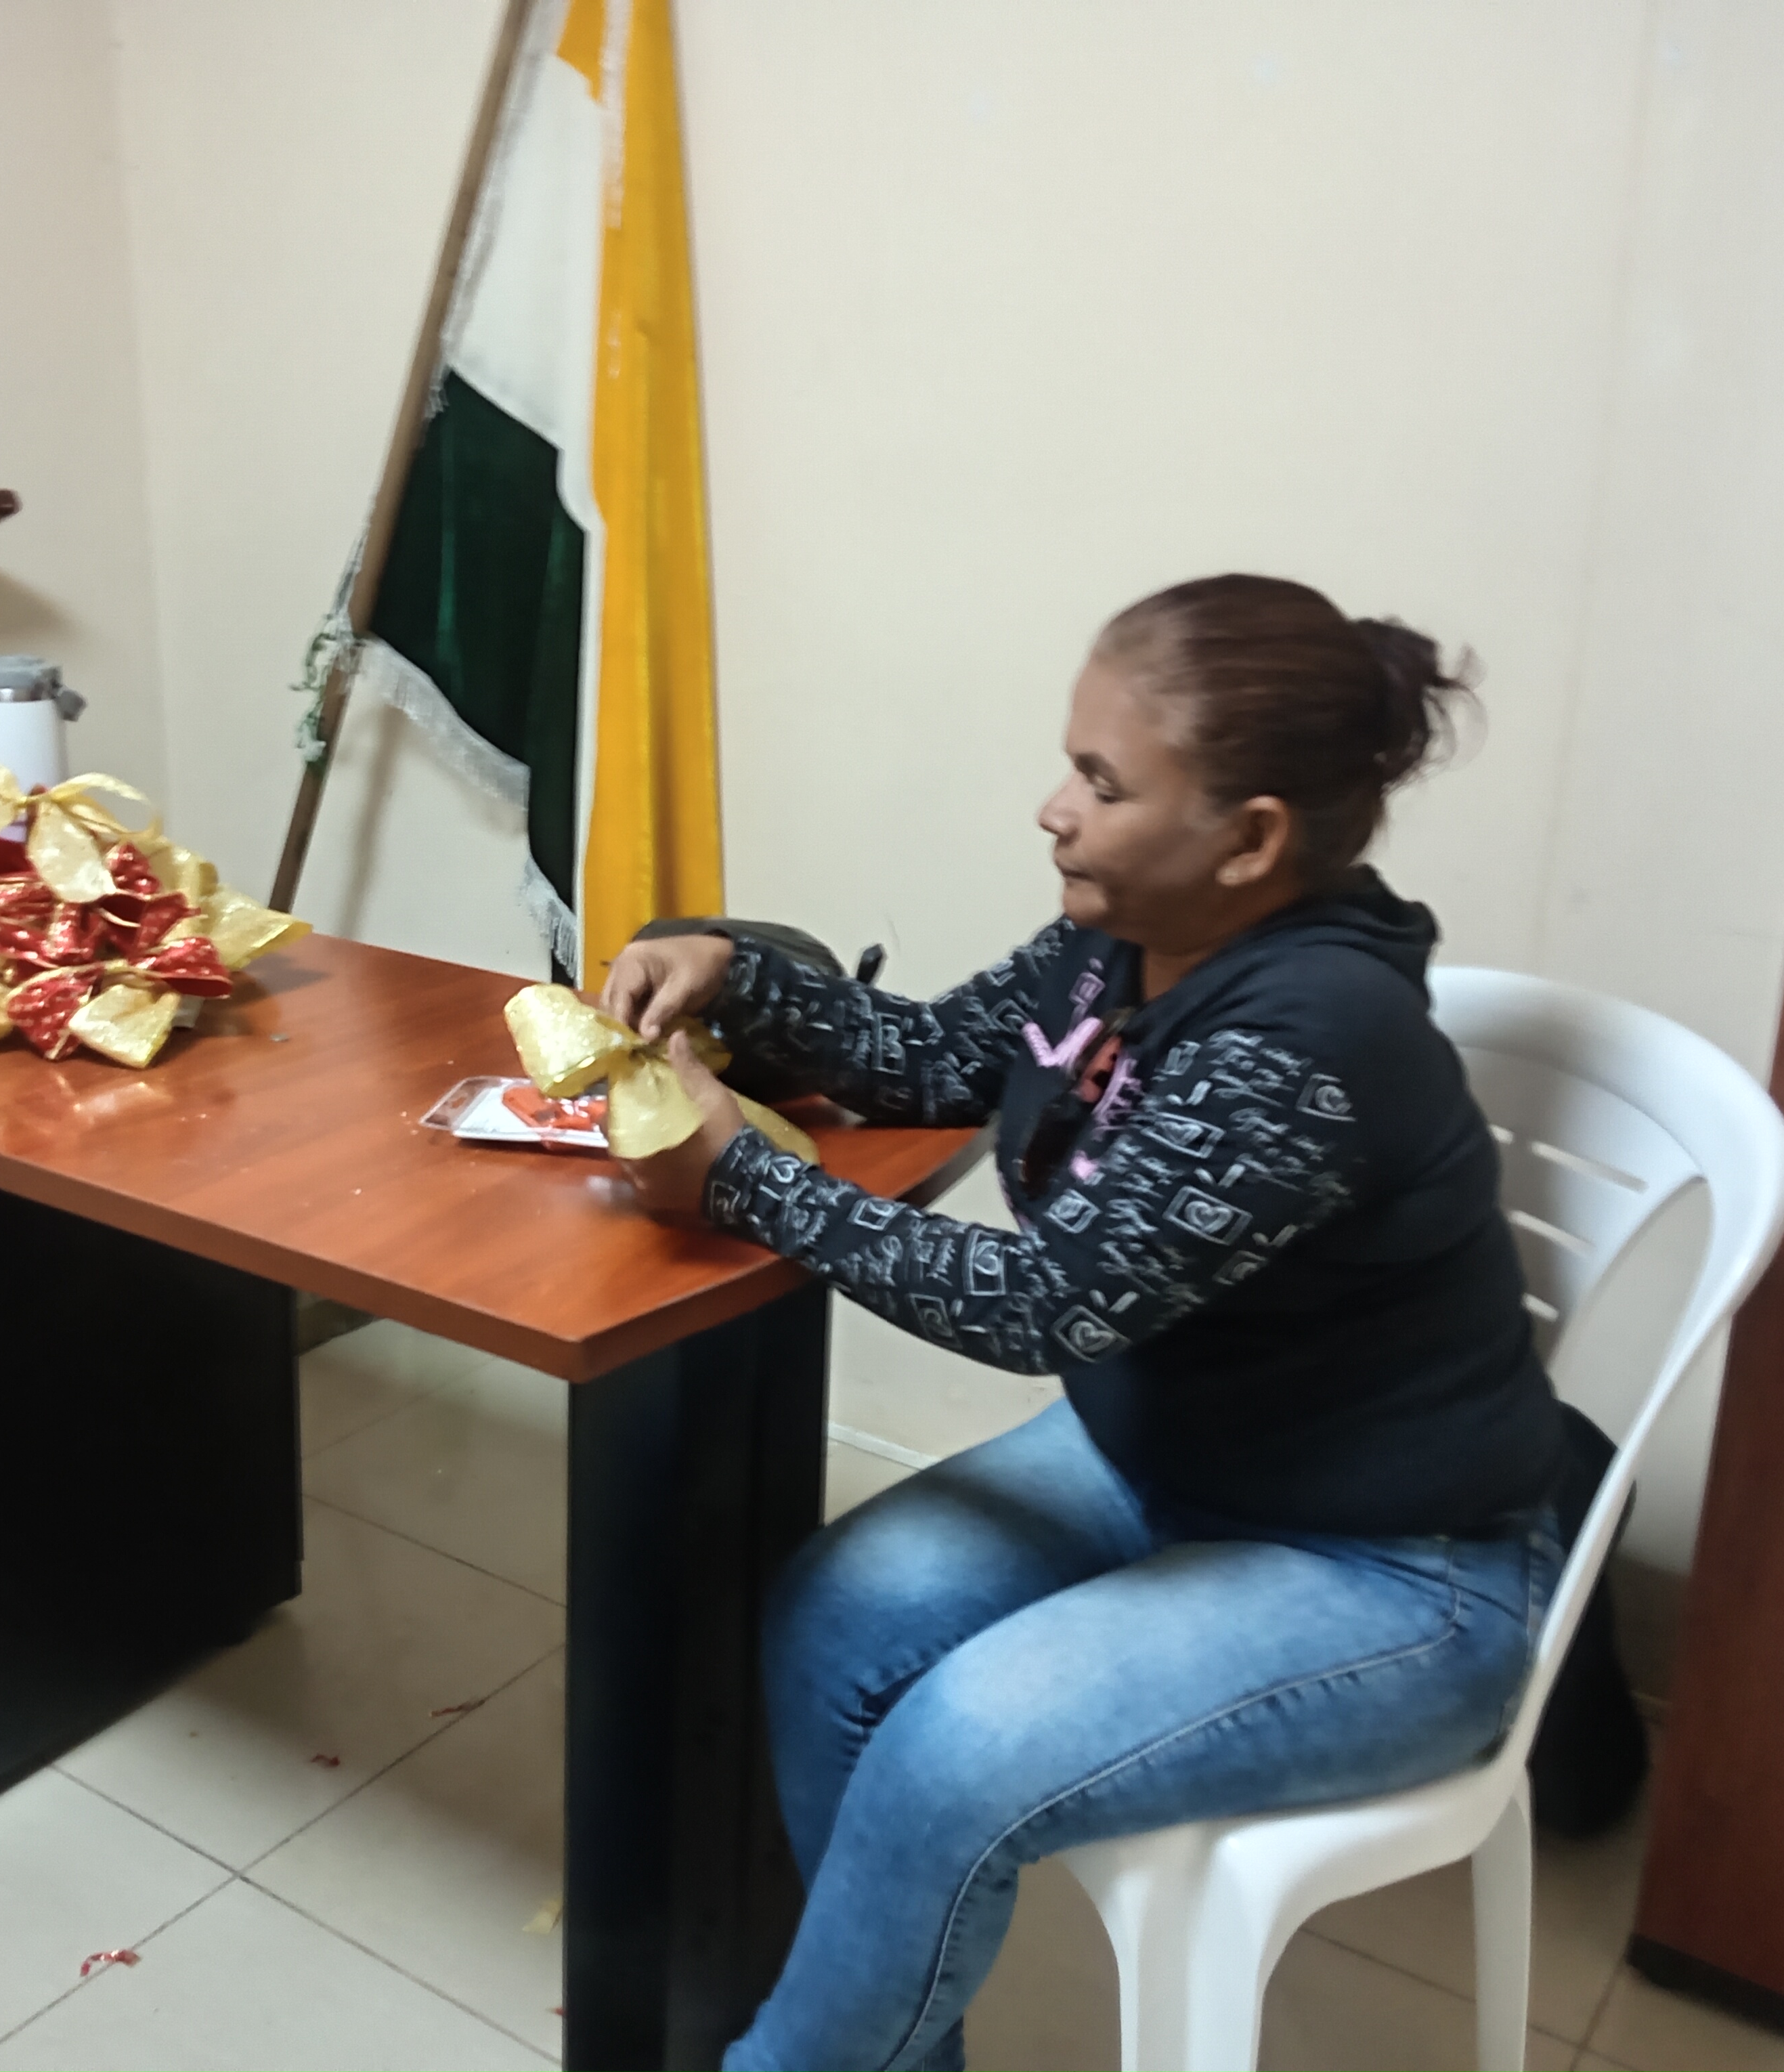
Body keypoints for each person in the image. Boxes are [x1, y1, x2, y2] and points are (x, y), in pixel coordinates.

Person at [601, 574, 1567, 2072]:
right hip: (1173, 1462)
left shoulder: (1311, 1037)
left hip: (1392, 1568)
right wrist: (740, 974)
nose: (1053, 811)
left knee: (952, 1754)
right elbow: (930, 1058)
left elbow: (1044, 1302)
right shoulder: (1124, 942)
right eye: (1072, 765)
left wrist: (738, 1180)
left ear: (1251, 839)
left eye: (1103, 785)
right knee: (831, 1624)